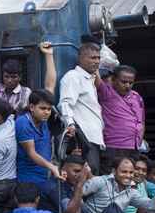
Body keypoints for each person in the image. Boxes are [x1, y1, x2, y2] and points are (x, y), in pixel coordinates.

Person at [58, 43, 104, 172]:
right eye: (93, 58)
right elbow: (65, 103)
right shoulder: (74, 76)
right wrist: (70, 123)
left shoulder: (90, 80)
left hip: (93, 137)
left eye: (98, 58)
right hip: (84, 137)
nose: (97, 61)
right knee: (86, 175)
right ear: (81, 58)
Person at [98, 65, 145, 174]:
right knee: (109, 180)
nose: (127, 86)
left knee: (129, 181)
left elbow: (141, 121)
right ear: (113, 80)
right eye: (123, 82)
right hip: (113, 147)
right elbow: (95, 77)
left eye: (131, 83)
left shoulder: (136, 96)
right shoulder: (106, 93)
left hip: (133, 148)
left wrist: (138, 143)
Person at [15, 90, 62, 184]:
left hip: (45, 177)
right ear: (32, 107)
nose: (47, 112)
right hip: (28, 180)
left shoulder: (43, 120)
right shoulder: (23, 123)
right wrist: (52, 167)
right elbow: (31, 153)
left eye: (49, 109)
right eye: (43, 108)